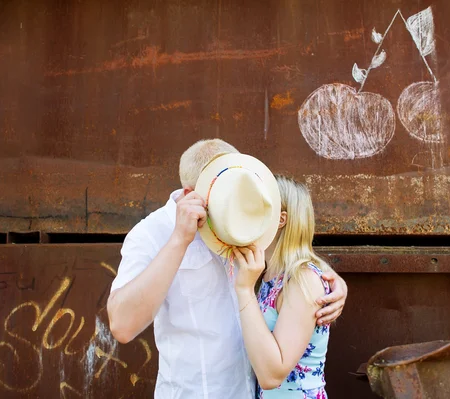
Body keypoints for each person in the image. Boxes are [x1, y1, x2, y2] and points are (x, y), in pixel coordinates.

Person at [107, 139, 347, 399]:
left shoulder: (241, 217)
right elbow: (122, 325)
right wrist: (179, 240)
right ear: (191, 195)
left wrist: (328, 282)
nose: (234, 206)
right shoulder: (152, 234)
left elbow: (292, 264)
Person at [234, 175, 332, 398]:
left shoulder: (302, 280)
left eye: (255, 208)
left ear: (280, 219)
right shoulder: (269, 274)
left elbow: (271, 376)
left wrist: (244, 290)